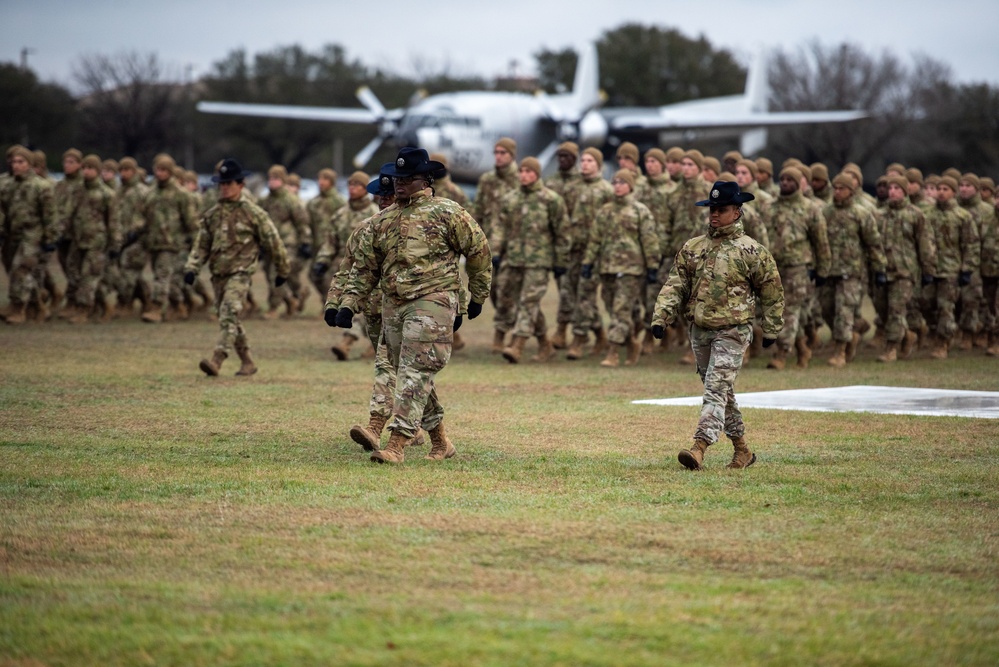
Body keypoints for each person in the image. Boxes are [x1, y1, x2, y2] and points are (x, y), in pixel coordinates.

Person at [334, 148, 491, 464]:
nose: (399, 184)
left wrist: (477, 296)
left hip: (434, 301)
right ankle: (441, 441)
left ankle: (396, 444)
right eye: (397, 179)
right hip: (394, 305)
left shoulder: (448, 212)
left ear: (426, 180)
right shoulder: (383, 221)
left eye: (407, 179)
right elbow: (365, 267)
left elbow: (478, 252)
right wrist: (348, 303)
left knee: (413, 369)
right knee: (412, 373)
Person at [652, 181, 783, 470]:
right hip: (700, 330)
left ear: (737, 212)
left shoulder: (752, 251)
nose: (714, 215)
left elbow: (771, 292)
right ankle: (743, 450)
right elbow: (676, 285)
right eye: (712, 209)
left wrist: (772, 328)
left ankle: (699, 446)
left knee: (714, 388)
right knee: (721, 391)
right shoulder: (693, 247)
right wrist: (662, 316)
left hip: (734, 330)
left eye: (721, 209)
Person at [184, 158, 289, 377]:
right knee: (231, 319)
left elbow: (273, 242)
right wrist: (192, 268)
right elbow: (201, 245)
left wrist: (282, 270)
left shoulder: (254, 213)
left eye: (229, 183)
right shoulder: (212, 215)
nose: (225, 188)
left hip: (241, 273)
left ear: (240, 185)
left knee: (229, 312)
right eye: (222, 184)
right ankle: (248, 362)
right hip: (218, 274)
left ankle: (217, 359)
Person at [492, 156, 571, 363]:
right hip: (514, 260)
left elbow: (562, 232)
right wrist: (496, 252)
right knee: (518, 303)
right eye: (522, 171)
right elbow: (500, 227)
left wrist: (561, 261)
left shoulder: (551, 200)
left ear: (537, 174)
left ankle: (517, 346)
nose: (524, 175)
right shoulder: (511, 199)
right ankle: (545, 344)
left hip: (539, 262)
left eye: (529, 172)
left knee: (528, 302)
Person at [583, 169, 660, 367]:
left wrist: (652, 265)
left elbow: (649, 240)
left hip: (631, 269)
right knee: (611, 306)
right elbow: (595, 239)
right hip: (607, 267)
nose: (618, 185)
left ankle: (613, 352)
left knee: (621, 310)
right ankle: (632, 342)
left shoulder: (640, 211)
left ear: (630, 186)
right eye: (615, 182)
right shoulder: (605, 211)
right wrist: (588, 262)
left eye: (622, 182)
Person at [766, 165, 831, 369]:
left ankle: (782, 353)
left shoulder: (810, 209)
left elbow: (821, 242)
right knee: (778, 311)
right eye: (783, 179)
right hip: (773, 267)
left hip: (798, 268)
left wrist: (822, 270)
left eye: (790, 180)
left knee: (789, 311)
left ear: (799, 184)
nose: (785, 183)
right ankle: (803, 347)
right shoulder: (769, 207)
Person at [821, 173, 887, 366]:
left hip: (853, 272)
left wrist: (879, 268)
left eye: (842, 188)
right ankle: (855, 329)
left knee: (844, 310)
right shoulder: (826, 212)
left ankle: (840, 351)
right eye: (835, 188)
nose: (837, 192)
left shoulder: (861, 213)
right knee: (827, 309)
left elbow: (873, 243)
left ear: (851, 191)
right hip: (829, 270)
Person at [873, 174, 937, 362]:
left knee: (896, 310)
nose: (892, 192)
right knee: (882, 310)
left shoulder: (916, 215)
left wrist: (928, 270)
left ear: (905, 191)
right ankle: (907, 335)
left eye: (897, 188)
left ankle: (890, 349)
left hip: (905, 272)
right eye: (890, 188)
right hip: (883, 270)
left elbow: (926, 244)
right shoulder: (879, 215)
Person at [316, 171, 378, 360]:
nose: (353, 189)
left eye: (358, 185)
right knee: (361, 309)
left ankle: (347, 343)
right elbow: (330, 241)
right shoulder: (340, 215)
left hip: (372, 271)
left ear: (365, 189)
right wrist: (322, 260)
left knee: (369, 307)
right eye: (351, 185)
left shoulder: (376, 213)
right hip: (346, 269)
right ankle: (376, 345)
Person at [565, 147, 614, 360]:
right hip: (573, 250)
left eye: (590, 161)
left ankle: (579, 338)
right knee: (574, 294)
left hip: (595, 252)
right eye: (583, 160)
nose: (584, 164)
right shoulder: (572, 188)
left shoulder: (606, 190)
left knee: (585, 294)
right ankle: (599, 333)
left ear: (598, 165)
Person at [137, 154, 198, 323]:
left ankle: (156, 308)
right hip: (153, 241)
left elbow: (191, 221)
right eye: (157, 169)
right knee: (164, 277)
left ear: (170, 172)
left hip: (171, 243)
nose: (159, 173)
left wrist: (195, 243)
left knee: (161, 277)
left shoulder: (181, 194)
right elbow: (142, 215)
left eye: (164, 170)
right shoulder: (150, 193)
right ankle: (178, 305)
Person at [0, 146, 56, 325]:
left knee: (21, 269)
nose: (16, 165)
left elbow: (50, 215)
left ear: (30, 164)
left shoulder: (41, 186)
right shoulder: (6, 184)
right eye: (14, 162)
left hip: (33, 235)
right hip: (11, 234)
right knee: (16, 272)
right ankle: (38, 305)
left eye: (21, 162)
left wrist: (50, 238)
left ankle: (18, 309)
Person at [259, 164, 310, 319]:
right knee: (269, 275)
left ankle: (273, 308)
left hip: (287, 243)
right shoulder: (265, 200)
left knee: (277, 274)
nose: (272, 182)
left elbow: (301, 222)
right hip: (269, 244)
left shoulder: (291, 200)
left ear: (282, 180)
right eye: (270, 178)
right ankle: (292, 299)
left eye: (276, 178)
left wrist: (305, 243)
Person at [306, 168, 346, 301]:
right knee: (313, 275)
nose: (321, 182)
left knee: (330, 277)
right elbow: (309, 224)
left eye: (325, 179)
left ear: (332, 182)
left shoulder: (339, 202)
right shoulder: (313, 203)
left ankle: (329, 303)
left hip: (333, 247)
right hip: (317, 245)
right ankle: (327, 300)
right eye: (320, 179)